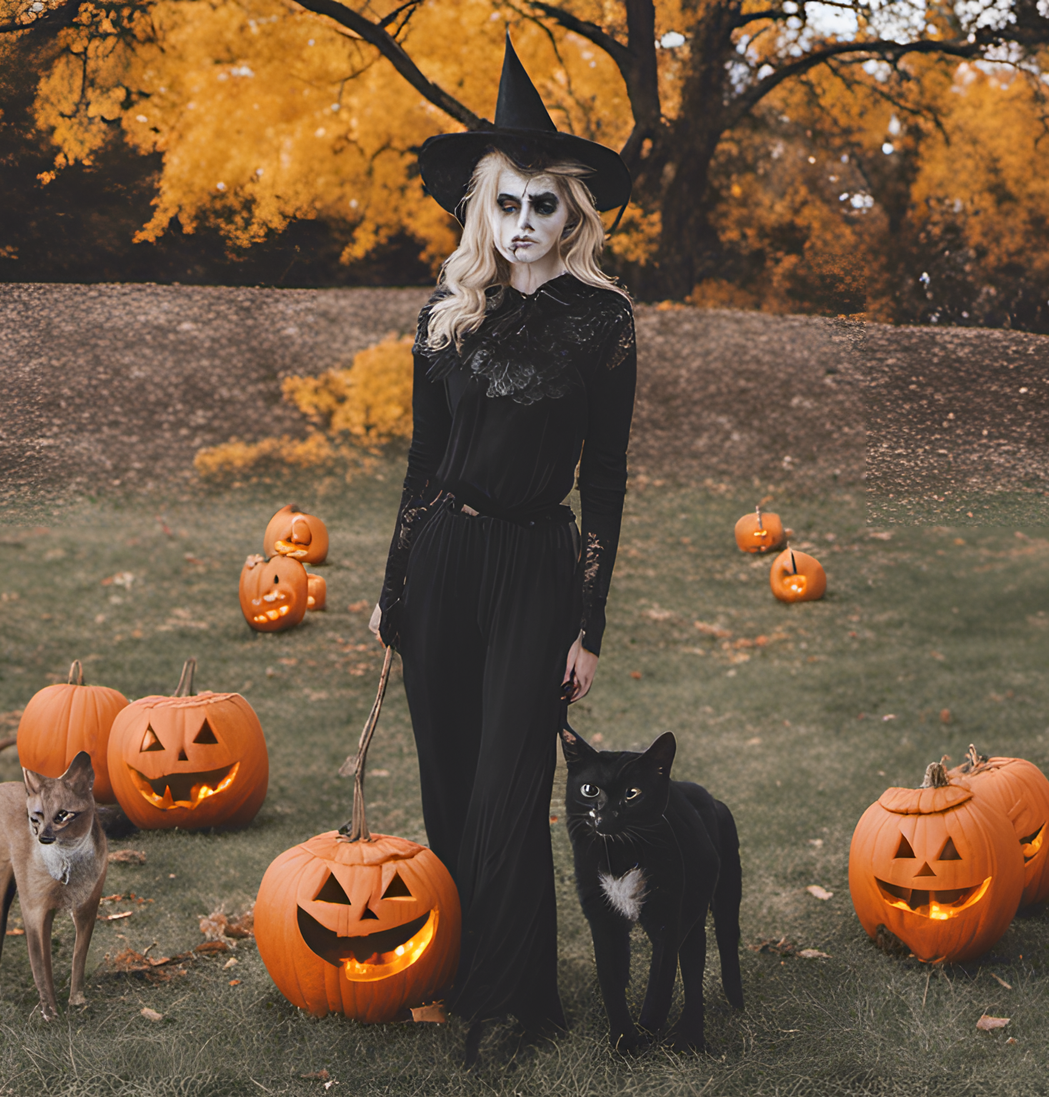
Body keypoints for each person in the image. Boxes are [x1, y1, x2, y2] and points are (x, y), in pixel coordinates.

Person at [368, 35, 636, 1064]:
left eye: (545, 206)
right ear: (482, 210)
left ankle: (516, 998)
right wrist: (392, 589)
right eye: (509, 205)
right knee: (448, 785)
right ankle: (474, 968)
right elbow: (422, 460)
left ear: (574, 214)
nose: (526, 225)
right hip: (443, 563)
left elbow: (605, 474)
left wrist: (590, 621)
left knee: (510, 788)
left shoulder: (603, 322)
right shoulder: (444, 316)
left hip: (536, 569)